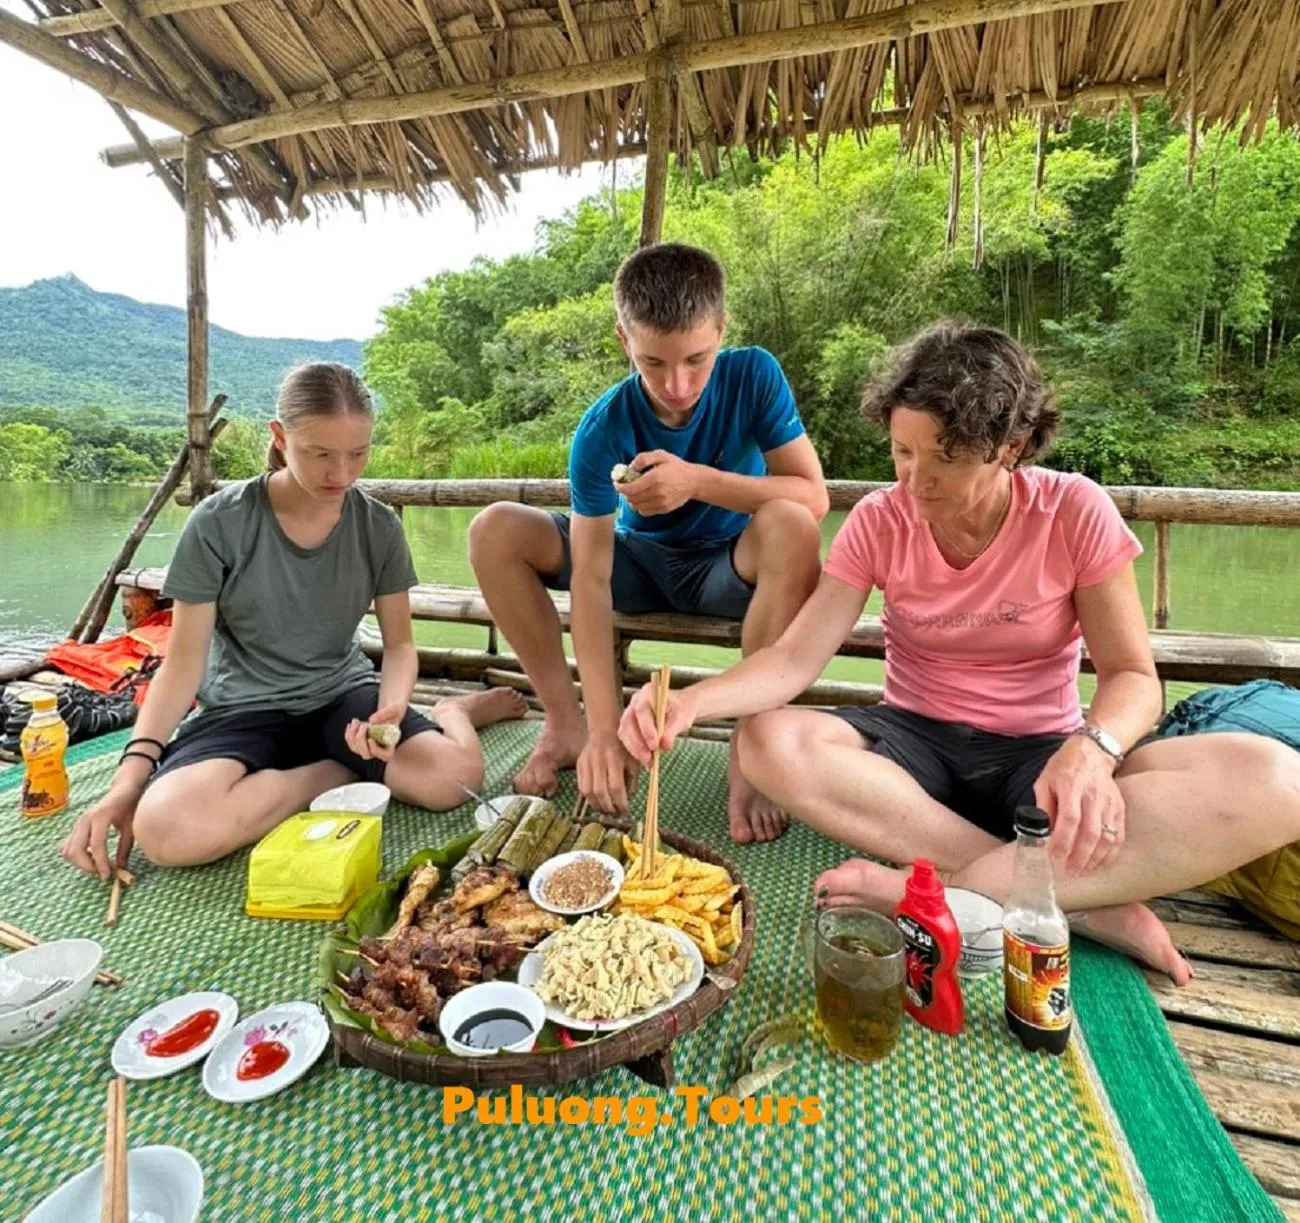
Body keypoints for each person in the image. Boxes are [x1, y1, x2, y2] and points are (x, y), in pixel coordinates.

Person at [620, 323, 1300, 981]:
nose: (916, 481)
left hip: (1040, 757)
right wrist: (688, 701)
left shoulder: (1073, 511)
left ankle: (936, 892)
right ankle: (1072, 902)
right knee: (765, 740)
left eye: (945, 456)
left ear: (1012, 444)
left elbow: (1132, 678)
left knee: (1276, 778)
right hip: (913, 754)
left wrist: (1093, 749)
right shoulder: (880, 520)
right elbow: (795, 659)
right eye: (902, 451)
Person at [60, 362, 525, 878]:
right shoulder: (219, 522)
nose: (341, 474)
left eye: (358, 454)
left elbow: (398, 646)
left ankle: (455, 714)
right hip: (242, 710)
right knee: (168, 830)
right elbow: (182, 665)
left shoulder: (378, 526)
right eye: (319, 454)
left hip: (340, 699)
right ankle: (335, 773)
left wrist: (389, 711)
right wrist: (129, 782)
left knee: (450, 782)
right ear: (280, 438)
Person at [469, 243, 828, 843]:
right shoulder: (603, 427)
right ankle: (565, 725)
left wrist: (695, 481)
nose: (678, 384)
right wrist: (605, 731)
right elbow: (589, 578)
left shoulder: (754, 375)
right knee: (494, 529)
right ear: (623, 339)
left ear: (722, 329)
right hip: (633, 567)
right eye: (653, 363)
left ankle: (755, 742)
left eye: (697, 359)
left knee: (793, 522)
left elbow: (813, 496)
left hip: (727, 566)